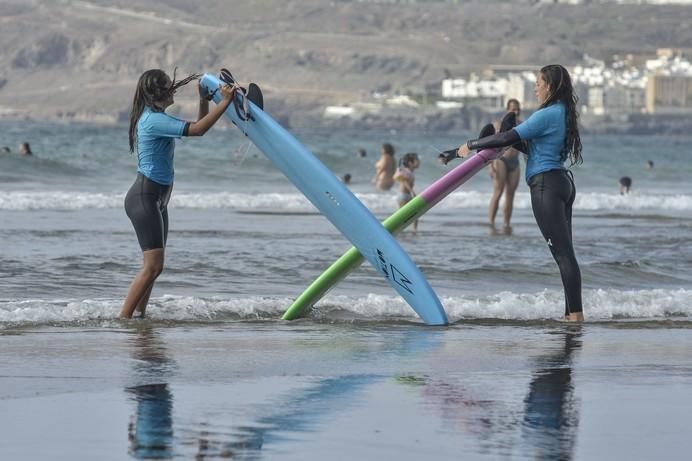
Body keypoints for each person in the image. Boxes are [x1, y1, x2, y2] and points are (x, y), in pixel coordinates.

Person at [443, 64, 584, 322]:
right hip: (562, 183)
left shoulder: (548, 114)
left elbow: (506, 138)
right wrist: (507, 125)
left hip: (546, 186)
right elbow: (525, 144)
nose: (536, 88)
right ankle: (570, 315)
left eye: (538, 83)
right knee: (566, 254)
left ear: (550, 86)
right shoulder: (563, 113)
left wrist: (467, 146)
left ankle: (575, 317)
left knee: (563, 255)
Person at [120, 68, 236, 319]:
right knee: (153, 266)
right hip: (145, 198)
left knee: (154, 268)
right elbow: (198, 130)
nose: (173, 89)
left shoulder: (156, 116)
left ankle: (139, 316)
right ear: (156, 94)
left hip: (157, 199)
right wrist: (226, 102)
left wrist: (204, 100)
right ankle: (123, 320)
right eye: (168, 86)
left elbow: (197, 129)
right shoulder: (153, 120)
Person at [488, 99, 522, 231]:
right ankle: (491, 222)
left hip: (515, 162)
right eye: (513, 109)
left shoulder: (523, 125)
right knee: (498, 192)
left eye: (518, 109)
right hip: (500, 160)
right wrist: (490, 166)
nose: (516, 111)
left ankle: (506, 223)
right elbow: (489, 146)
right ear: (507, 110)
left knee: (510, 194)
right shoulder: (499, 125)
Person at [394, 152, 420, 232]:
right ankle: (398, 230)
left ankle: (413, 230)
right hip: (403, 196)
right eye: (416, 160)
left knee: (414, 214)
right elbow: (400, 179)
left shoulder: (409, 172)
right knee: (405, 216)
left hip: (406, 196)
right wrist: (411, 190)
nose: (419, 162)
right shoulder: (407, 171)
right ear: (410, 163)